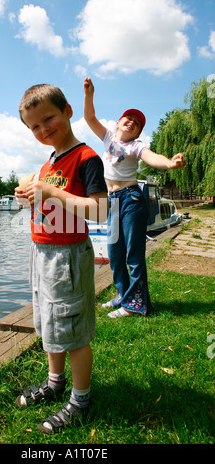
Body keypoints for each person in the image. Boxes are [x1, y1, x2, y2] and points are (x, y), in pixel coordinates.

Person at [15, 83, 108, 433]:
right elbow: (49, 203)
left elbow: (99, 210)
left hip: (68, 255)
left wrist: (52, 191)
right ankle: (55, 384)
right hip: (41, 253)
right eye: (34, 126)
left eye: (48, 118)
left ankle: (80, 400)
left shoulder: (86, 158)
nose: (42, 129)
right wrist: (30, 197)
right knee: (50, 323)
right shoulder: (47, 163)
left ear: (68, 111)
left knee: (72, 330)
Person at [83, 77, 186, 319]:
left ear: (138, 132)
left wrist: (170, 164)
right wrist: (89, 94)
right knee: (115, 253)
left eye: (137, 123)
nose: (132, 122)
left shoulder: (136, 147)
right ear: (119, 122)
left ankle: (135, 305)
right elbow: (89, 118)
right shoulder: (108, 138)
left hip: (131, 199)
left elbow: (152, 157)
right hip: (112, 201)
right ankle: (122, 295)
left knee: (133, 253)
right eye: (128, 118)